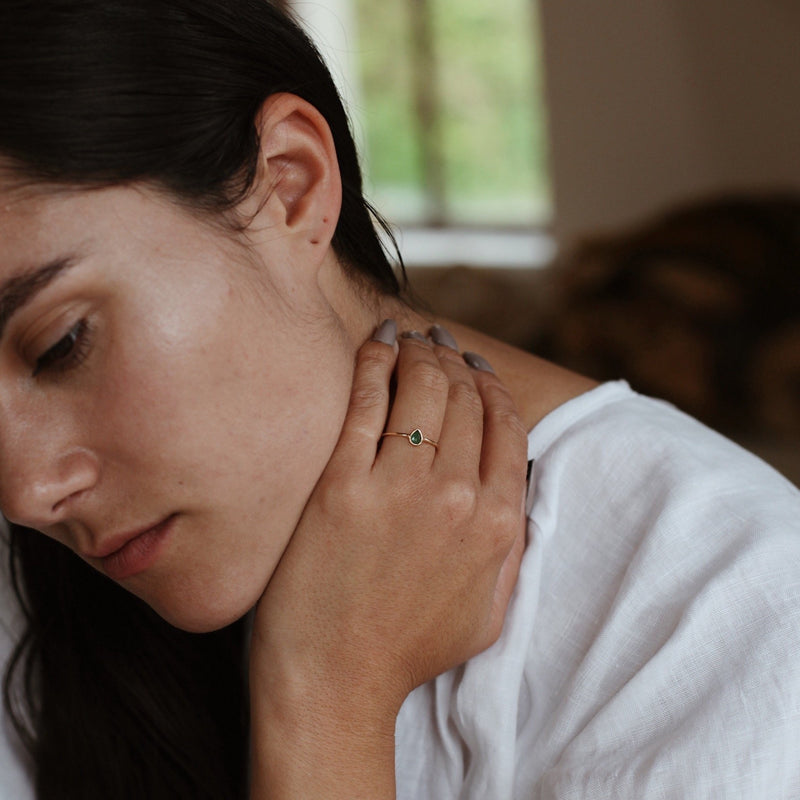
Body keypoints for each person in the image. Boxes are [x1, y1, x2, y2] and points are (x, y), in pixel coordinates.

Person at [1, 1, 799, 798]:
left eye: (60, 344)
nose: (26, 494)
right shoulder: (27, 608)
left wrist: (324, 702)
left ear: (288, 185)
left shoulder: (726, 614)